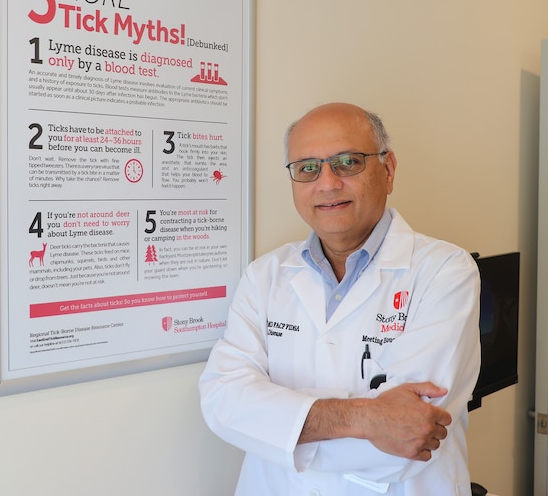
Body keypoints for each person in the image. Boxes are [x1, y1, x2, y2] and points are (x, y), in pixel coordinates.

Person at [199, 102, 481, 495]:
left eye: (348, 162)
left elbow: (411, 434)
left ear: (388, 169)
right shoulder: (265, 275)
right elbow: (222, 401)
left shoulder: (445, 271)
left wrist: (276, 427)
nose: (327, 183)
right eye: (307, 168)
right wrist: (367, 419)